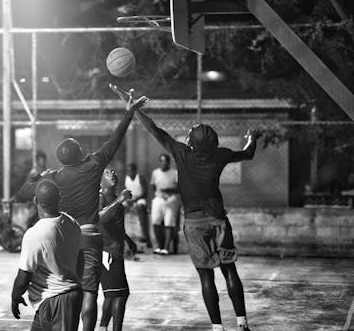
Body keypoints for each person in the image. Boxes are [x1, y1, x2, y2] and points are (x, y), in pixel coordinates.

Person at [110, 84, 259, 331]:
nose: (188, 134)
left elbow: (154, 130)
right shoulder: (220, 155)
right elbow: (248, 153)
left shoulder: (181, 153)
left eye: (191, 133)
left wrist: (133, 107)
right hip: (218, 220)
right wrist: (252, 138)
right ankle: (242, 323)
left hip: (195, 223)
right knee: (230, 270)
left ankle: (218, 327)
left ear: (192, 143)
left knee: (206, 277)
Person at [14, 93, 148, 331]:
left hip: (65, 238)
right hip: (90, 235)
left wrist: (39, 176)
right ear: (79, 153)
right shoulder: (93, 165)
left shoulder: (55, 177)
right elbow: (115, 140)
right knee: (89, 292)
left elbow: (23, 192)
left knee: (69, 288)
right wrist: (128, 113)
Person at [11, 179, 84, 331]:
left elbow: (24, 276)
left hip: (55, 300)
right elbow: (80, 259)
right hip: (59, 299)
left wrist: (15, 296)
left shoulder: (34, 234)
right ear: (59, 198)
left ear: (35, 200)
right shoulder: (72, 223)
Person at [98, 167, 137, 331]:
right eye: (107, 173)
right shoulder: (99, 196)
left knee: (113, 294)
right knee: (120, 294)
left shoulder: (114, 197)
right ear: (100, 180)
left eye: (114, 172)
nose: (112, 174)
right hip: (107, 252)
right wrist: (119, 201)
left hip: (116, 251)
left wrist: (128, 240)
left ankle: (102, 327)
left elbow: (117, 226)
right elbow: (99, 218)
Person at [150, 154, 180, 255]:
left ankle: (166, 248)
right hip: (159, 198)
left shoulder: (175, 173)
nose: (164, 163)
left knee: (169, 222)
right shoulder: (155, 173)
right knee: (155, 221)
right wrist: (159, 194)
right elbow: (153, 186)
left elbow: (179, 188)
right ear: (160, 162)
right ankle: (159, 246)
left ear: (169, 162)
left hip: (171, 199)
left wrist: (169, 190)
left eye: (166, 161)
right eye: (162, 161)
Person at [124, 163, 152, 249]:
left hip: (140, 198)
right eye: (128, 171)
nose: (130, 173)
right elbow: (125, 191)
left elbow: (145, 193)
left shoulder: (140, 178)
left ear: (135, 171)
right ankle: (124, 236)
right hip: (130, 199)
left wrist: (135, 200)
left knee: (141, 207)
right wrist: (128, 200)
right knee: (120, 208)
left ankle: (145, 236)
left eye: (131, 171)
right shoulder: (126, 178)